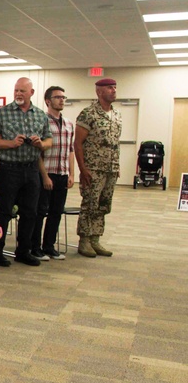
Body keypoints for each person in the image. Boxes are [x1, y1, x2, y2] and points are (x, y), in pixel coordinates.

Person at [0, 77, 52, 267]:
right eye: (16, 91)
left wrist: (40, 144)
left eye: (22, 91)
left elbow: (49, 141)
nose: (19, 94)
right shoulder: (3, 113)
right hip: (9, 169)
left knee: (30, 213)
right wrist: (11, 143)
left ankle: (23, 251)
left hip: (31, 170)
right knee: (4, 212)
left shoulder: (40, 115)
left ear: (31, 93)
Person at [75, 78, 122, 258]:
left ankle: (95, 239)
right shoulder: (88, 113)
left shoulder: (117, 115)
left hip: (111, 168)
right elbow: (78, 144)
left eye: (115, 87)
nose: (114, 90)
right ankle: (84, 241)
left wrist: (116, 165)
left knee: (103, 205)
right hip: (93, 168)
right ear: (99, 92)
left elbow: (115, 143)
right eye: (110, 88)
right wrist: (83, 168)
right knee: (90, 204)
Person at [33, 86, 74, 260]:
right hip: (46, 174)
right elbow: (37, 153)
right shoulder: (41, 122)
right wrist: (44, 176)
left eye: (64, 97)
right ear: (48, 101)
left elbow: (70, 151)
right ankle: (35, 248)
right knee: (41, 212)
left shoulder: (68, 124)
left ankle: (49, 246)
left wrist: (72, 174)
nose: (62, 100)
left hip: (62, 174)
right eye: (58, 97)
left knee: (56, 212)